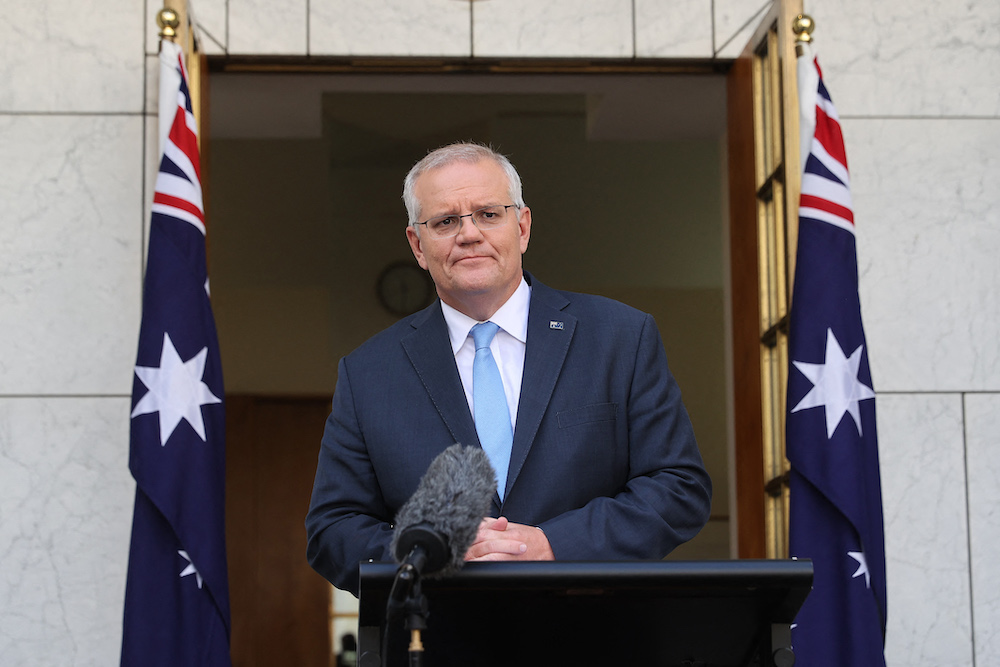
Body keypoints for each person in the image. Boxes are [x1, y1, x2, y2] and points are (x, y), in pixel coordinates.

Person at [306, 142, 712, 596]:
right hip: (442, 640)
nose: (469, 234)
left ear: (522, 227)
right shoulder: (367, 374)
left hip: (596, 634)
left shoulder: (620, 337)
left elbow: (678, 487)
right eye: (445, 221)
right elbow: (332, 530)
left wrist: (551, 544)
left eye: (488, 214)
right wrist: (432, 554)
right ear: (418, 246)